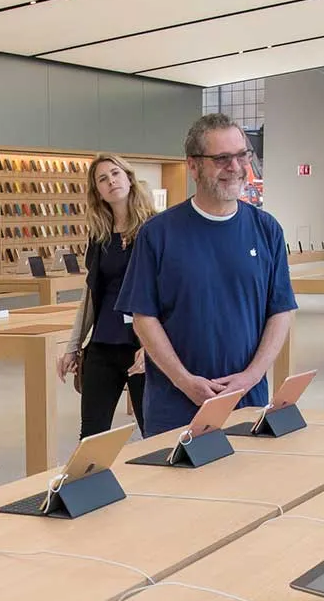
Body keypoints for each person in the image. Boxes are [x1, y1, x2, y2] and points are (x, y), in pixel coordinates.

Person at [118, 113, 293, 435]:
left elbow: (280, 310)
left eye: (242, 155)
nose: (235, 167)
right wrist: (184, 381)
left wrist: (252, 376)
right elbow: (144, 318)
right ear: (193, 166)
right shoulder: (157, 233)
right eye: (222, 158)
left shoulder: (266, 229)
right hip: (175, 407)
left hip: (246, 402)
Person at [58, 154, 153, 437]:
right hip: (103, 342)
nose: (111, 181)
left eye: (115, 173)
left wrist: (153, 347)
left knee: (153, 432)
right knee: (91, 434)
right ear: (97, 191)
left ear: (129, 178)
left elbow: (169, 293)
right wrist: (73, 346)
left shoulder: (155, 229)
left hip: (143, 344)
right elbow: (90, 293)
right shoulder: (99, 235)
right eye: (103, 179)